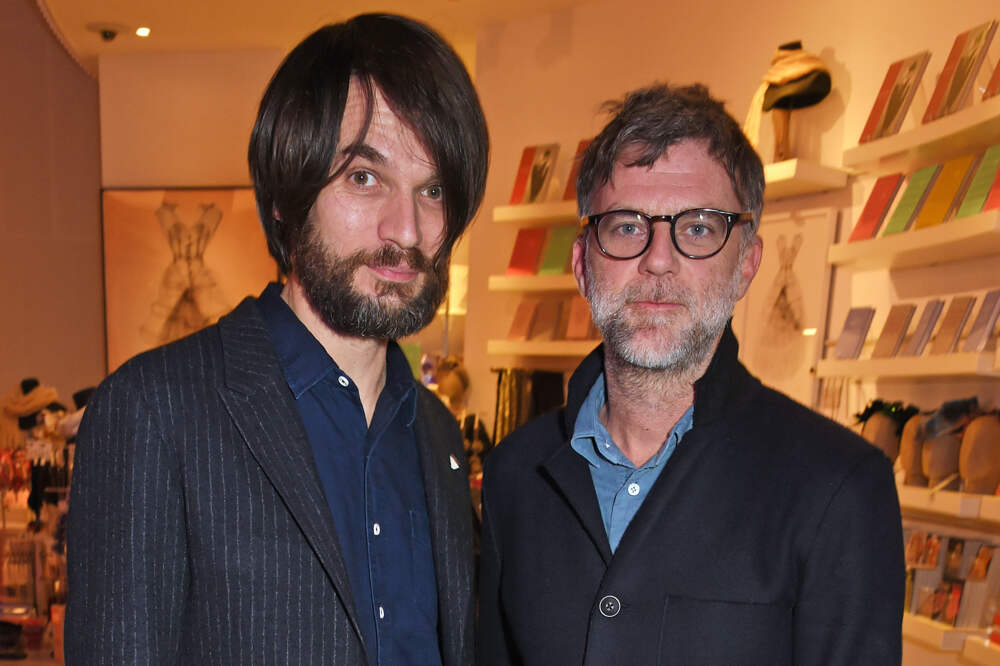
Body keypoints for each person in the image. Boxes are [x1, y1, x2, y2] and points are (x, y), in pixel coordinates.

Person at [66, 13, 488, 665]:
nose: (406, 229)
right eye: (364, 177)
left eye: (432, 189)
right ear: (287, 197)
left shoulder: (436, 434)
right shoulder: (153, 412)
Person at [478, 83, 904, 665]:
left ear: (747, 263)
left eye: (698, 228)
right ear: (581, 263)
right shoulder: (515, 475)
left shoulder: (840, 488)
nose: (658, 259)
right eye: (627, 226)